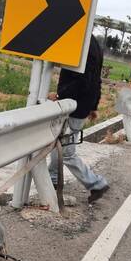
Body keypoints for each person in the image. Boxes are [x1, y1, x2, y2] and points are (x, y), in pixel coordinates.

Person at [47, 35, 110, 203]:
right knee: (58, 142)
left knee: (66, 151)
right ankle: (52, 178)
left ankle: (96, 183)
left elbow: (84, 80)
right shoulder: (94, 42)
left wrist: (60, 95)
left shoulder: (83, 43)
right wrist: (94, 105)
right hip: (82, 104)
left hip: (73, 105)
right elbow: (96, 79)